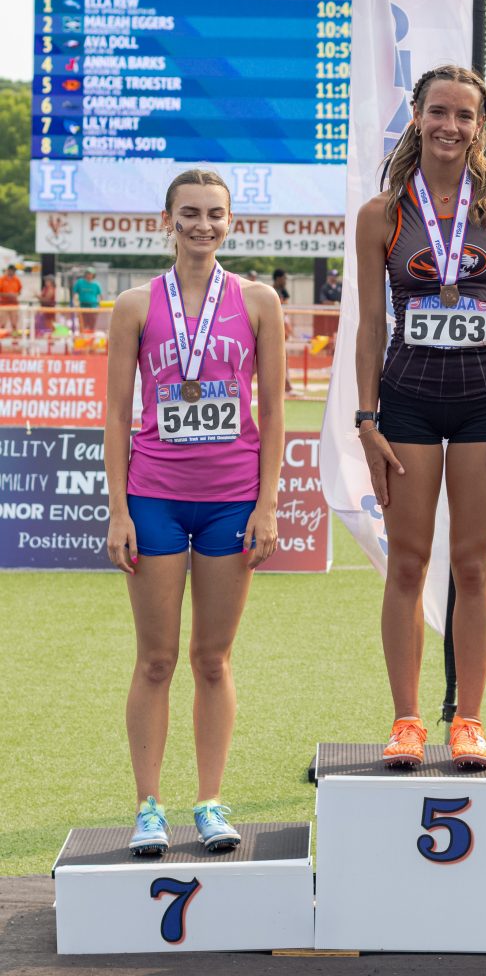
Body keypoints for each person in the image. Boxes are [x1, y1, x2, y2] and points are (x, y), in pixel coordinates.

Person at [355, 64, 486, 769]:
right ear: (417, 115)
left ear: (479, 125)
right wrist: (365, 418)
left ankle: (469, 720)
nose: (450, 126)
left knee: (473, 564)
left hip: (485, 399)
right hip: (406, 400)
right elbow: (372, 324)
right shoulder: (382, 214)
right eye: (438, 112)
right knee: (406, 562)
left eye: (464, 115)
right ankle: (406, 721)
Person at [104, 169, 285, 856]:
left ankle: (209, 801)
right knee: (155, 660)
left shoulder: (259, 301)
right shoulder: (134, 306)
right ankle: (148, 806)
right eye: (190, 213)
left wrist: (267, 504)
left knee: (212, 660)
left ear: (230, 223)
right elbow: (116, 415)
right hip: (154, 496)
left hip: (231, 500)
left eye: (214, 214)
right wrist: (118, 510)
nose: (202, 225)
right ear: (167, 221)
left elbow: (273, 411)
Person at [272, 268, 294, 393]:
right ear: (278, 278)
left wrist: (287, 328)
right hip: (273, 329)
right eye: (284, 278)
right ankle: (286, 385)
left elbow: (285, 311)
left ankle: (286, 384)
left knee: (283, 356)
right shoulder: (271, 291)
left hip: (281, 328)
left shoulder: (283, 291)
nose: (285, 280)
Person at [72, 267, 102, 332]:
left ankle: (91, 336)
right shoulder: (80, 282)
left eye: (90, 274)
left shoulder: (96, 284)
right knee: (82, 324)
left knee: (92, 324)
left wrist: (100, 307)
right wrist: (75, 304)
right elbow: (74, 294)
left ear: (93, 275)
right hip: (82, 306)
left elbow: (100, 296)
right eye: (88, 273)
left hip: (93, 307)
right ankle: (82, 336)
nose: (89, 275)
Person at [0, 264, 22, 332]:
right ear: (8, 270)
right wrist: (7, 295)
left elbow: (19, 291)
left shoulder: (17, 280)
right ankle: (1, 336)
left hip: (14, 304)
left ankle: (14, 336)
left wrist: (15, 295)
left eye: (13, 271)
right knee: (2, 323)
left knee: (14, 323)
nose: (12, 272)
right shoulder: (2, 279)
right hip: (4, 304)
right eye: (11, 270)